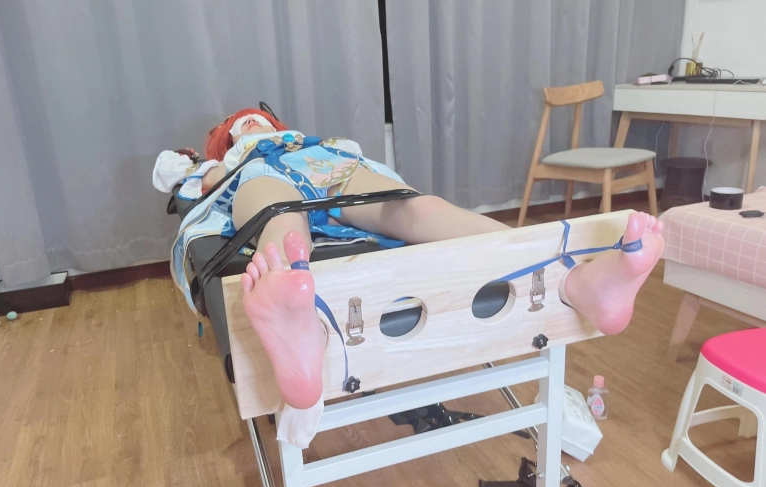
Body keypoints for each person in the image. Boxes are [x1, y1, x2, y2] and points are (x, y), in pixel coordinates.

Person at [201, 110, 664, 411]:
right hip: (262, 178)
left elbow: (360, 165)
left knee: (417, 208)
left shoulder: (314, 141)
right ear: (227, 139)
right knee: (279, 219)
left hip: (330, 171)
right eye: (241, 124)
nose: (252, 123)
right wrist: (212, 166)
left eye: (257, 119)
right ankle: (301, 325)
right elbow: (202, 187)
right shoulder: (233, 161)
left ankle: (578, 282)